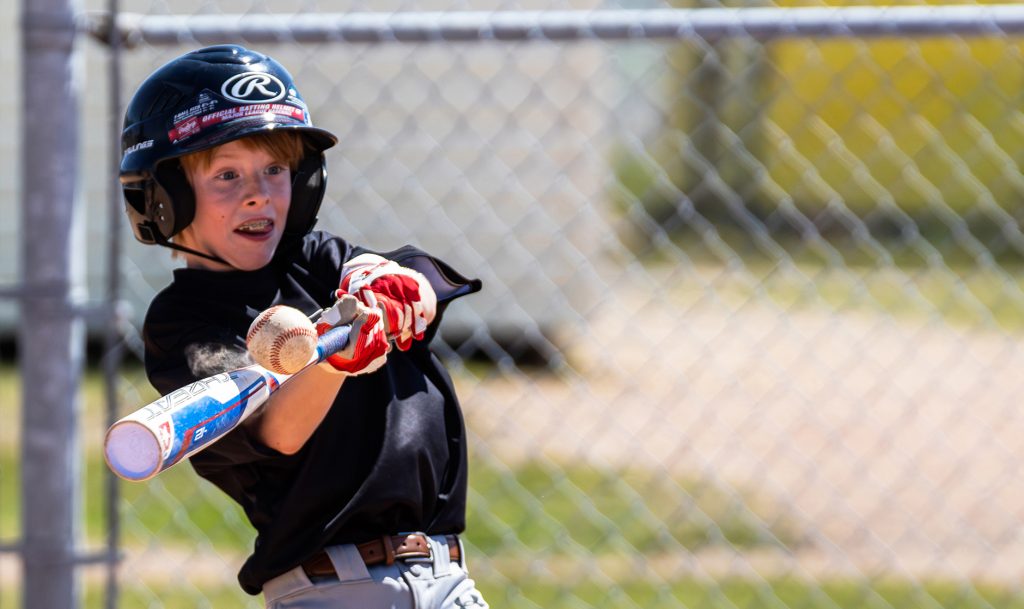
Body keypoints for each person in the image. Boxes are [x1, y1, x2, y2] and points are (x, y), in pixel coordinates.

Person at [119, 44, 488, 609]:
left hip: (448, 578)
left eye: (275, 169)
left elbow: (418, 278)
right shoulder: (181, 324)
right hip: (334, 588)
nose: (257, 192)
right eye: (226, 175)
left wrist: (387, 280)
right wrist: (338, 358)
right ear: (165, 199)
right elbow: (278, 430)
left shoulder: (314, 259)